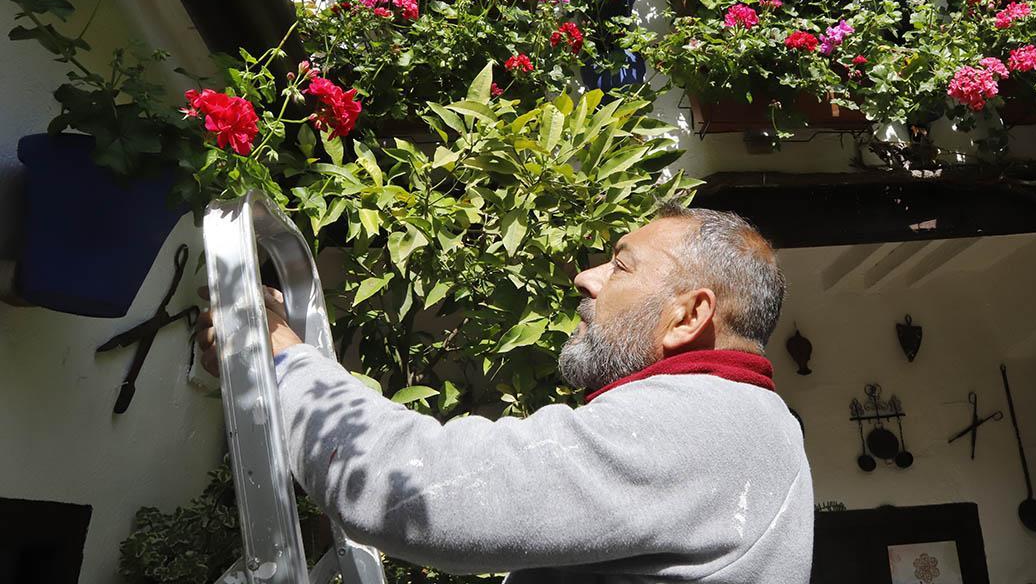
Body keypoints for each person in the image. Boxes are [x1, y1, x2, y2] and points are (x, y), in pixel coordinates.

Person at [197, 202, 813, 582]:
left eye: (621, 265)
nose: (587, 277)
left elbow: (416, 489)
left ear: (688, 316)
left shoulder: (695, 425)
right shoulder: (753, 422)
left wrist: (283, 358)